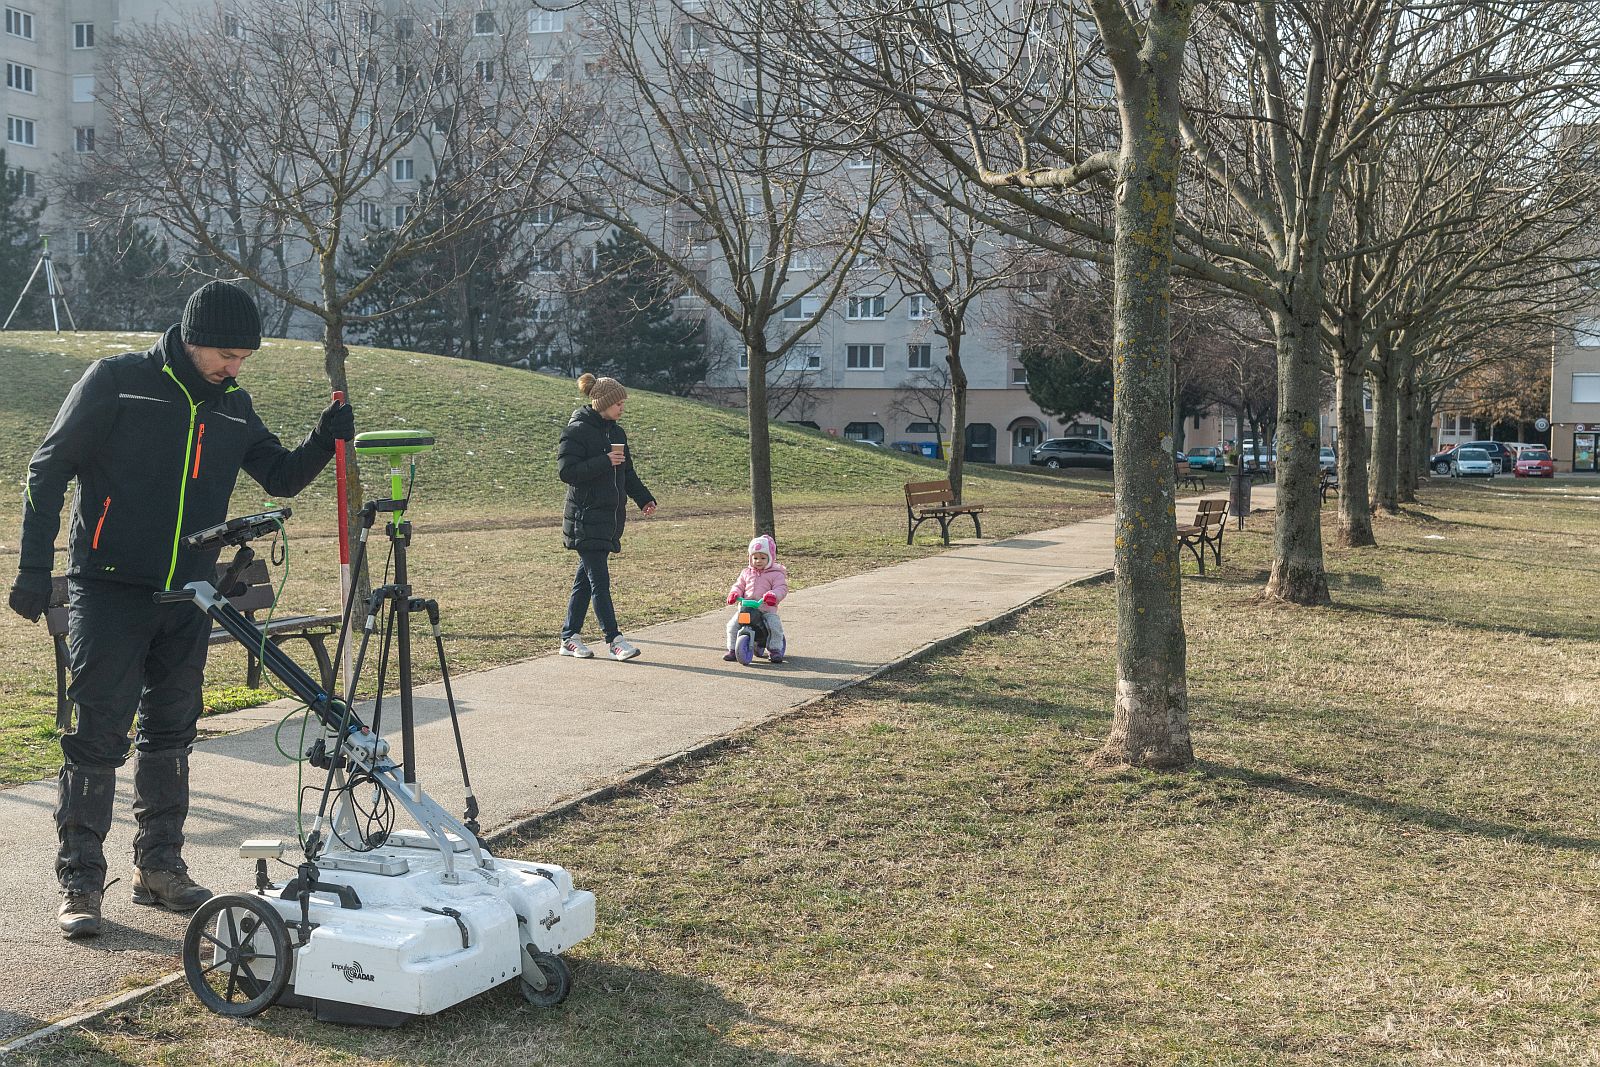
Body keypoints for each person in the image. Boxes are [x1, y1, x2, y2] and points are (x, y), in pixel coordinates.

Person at [6, 280, 355, 938]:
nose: (235, 367)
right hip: (109, 587)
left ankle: (159, 867)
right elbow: (46, 468)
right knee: (96, 736)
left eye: (244, 358)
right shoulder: (117, 382)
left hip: (190, 592)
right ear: (193, 339)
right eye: (227, 354)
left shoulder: (232, 407)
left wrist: (321, 440)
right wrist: (31, 567)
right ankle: (81, 881)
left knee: (171, 733)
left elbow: (279, 476)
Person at [557, 372, 657, 661]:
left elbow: (627, 473)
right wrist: (603, 461)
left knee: (585, 582)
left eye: (624, 403)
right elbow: (567, 472)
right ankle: (614, 640)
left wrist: (643, 498)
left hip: (608, 520)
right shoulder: (577, 431)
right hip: (585, 518)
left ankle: (569, 637)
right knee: (599, 581)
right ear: (602, 402)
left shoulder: (617, 433)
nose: (622, 407)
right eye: (618, 403)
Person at [723, 534, 788, 664]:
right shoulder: (746, 572)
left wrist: (773, 596)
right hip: (746, 608)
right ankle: (732, 649)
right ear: (750, 557)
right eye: (755, 557)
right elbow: (739, 585)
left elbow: (781, 588)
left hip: (765, 609)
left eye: (763, 558)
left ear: (770, 558)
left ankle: (775, 649)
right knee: (732, 625)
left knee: (774, 625)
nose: (758, 561)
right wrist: (734, 593)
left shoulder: (775, 574)